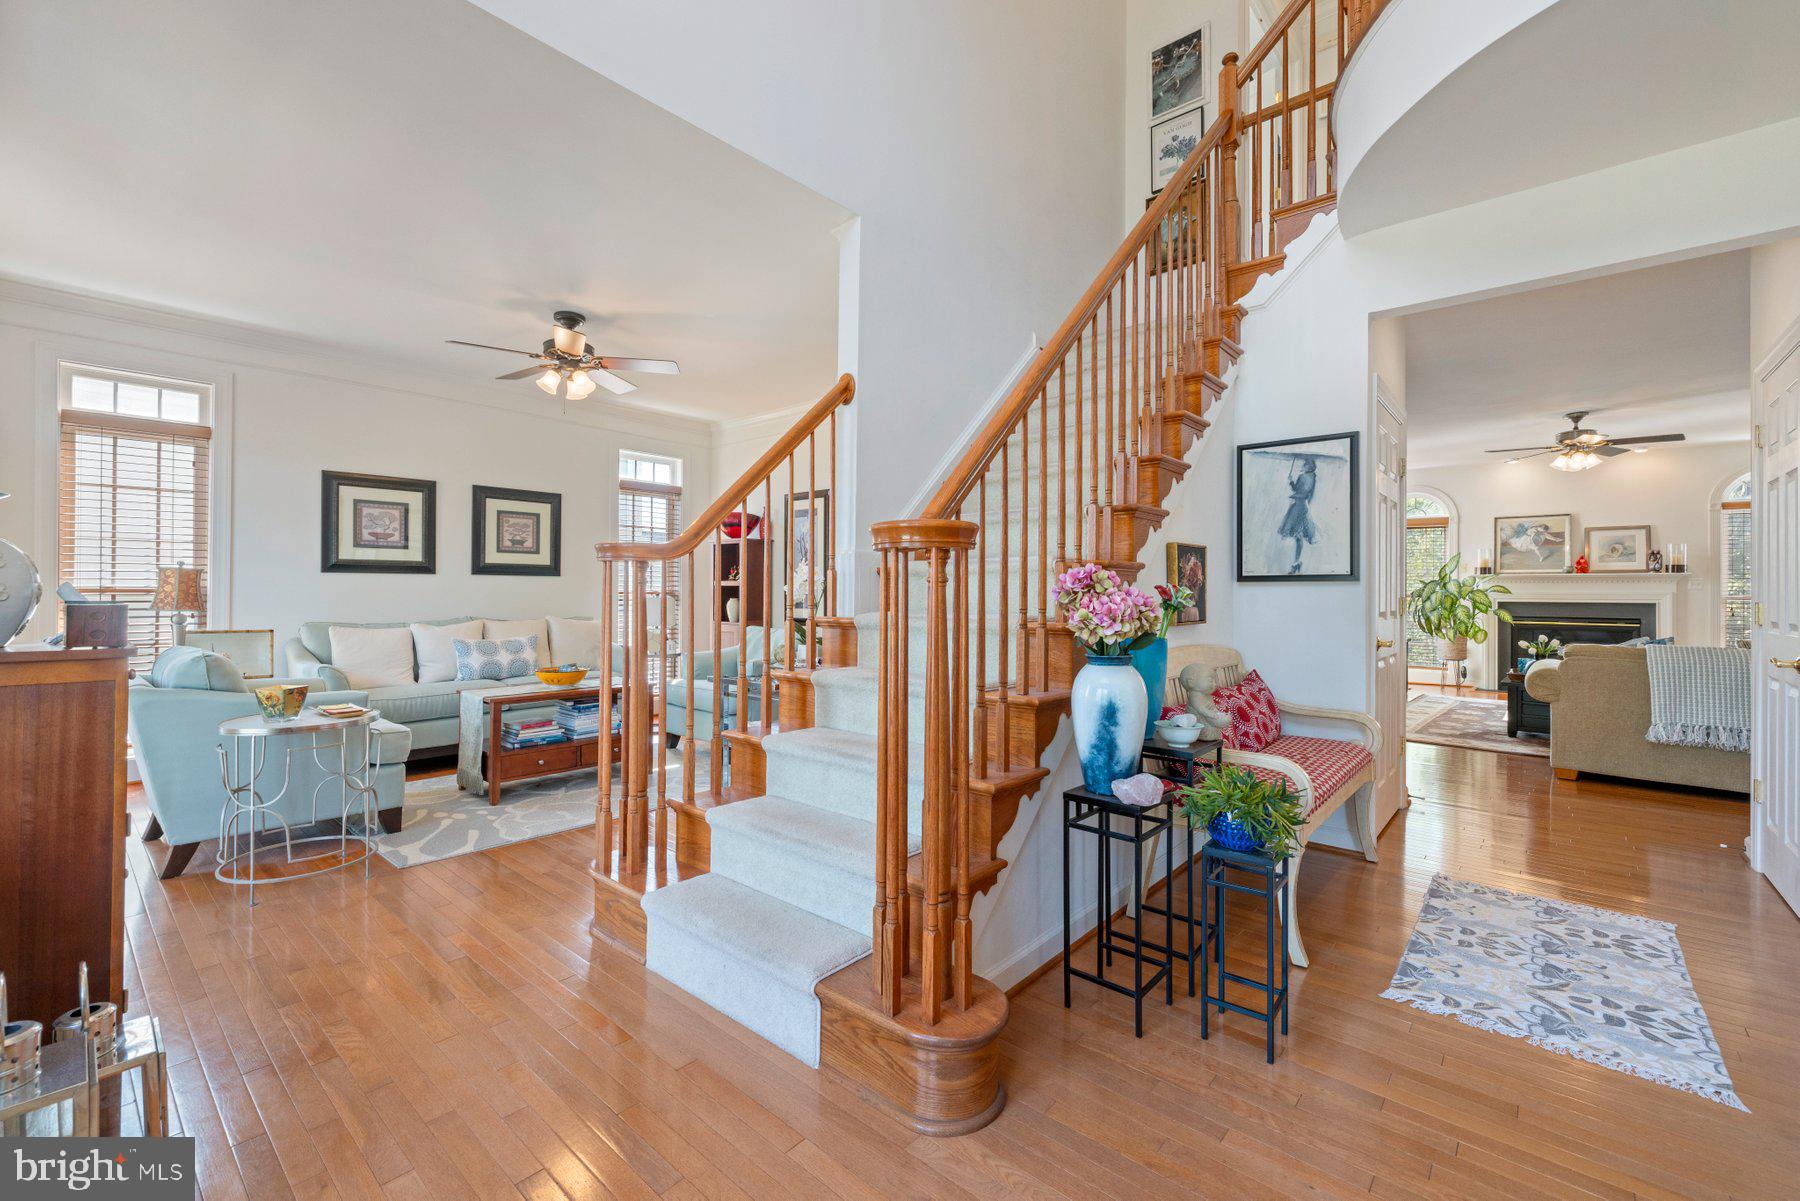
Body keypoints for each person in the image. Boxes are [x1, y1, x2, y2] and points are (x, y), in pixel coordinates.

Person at [1277, 458, 1318, 574]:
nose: (1303, 466)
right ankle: (1296, 562)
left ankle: (1296, 563)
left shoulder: (1303, 477)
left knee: (1297, 535)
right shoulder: (1313, 478)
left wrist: (1291, 481)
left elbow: (1296, 489)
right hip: (1303, 506)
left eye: (1305, 464)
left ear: (1309, 466)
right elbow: (1311, 495)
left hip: (1297, 507)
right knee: (1298, 536)